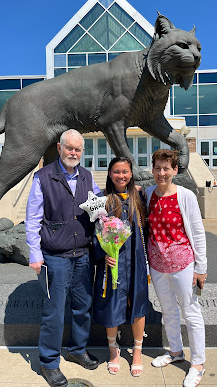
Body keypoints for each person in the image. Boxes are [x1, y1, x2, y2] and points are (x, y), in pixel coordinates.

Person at [25, 129, 100, 387]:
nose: (73, 153)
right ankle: (49, 362)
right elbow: (33, 219)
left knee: (83, 306)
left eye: (78, 149)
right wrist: (35, 254)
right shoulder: (43, 177)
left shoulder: (88, 177)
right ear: (59, 148)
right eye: (69, 148)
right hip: (55, 256)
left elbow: (99, 209)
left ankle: (77, 350)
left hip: (82, 255)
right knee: (54, 312)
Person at [146, 149, 207, 387]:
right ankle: (175, 351)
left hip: (182, 263)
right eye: (158, 168)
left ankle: (198, 363)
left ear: (175, 170)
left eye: (166, 168)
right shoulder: (149, 193)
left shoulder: (186, 196)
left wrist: (201, 267)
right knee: (169, 310)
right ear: (152, 170)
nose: (162, 173)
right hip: (158, 264)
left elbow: (198, 232)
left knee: (190, 312)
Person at [93, 157, 149, 377]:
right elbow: (95, 233)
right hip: (113, 261)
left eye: (125, 172)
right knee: (111, 302)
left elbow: (148, 227)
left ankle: (137, 351)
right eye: (117, 172)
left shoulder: (139, 196)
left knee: (137, 301)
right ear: (109, 174)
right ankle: (113, 350)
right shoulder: (103, 200)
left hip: (135, 258)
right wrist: (103, 253)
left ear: (131, 173)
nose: (121, 176)